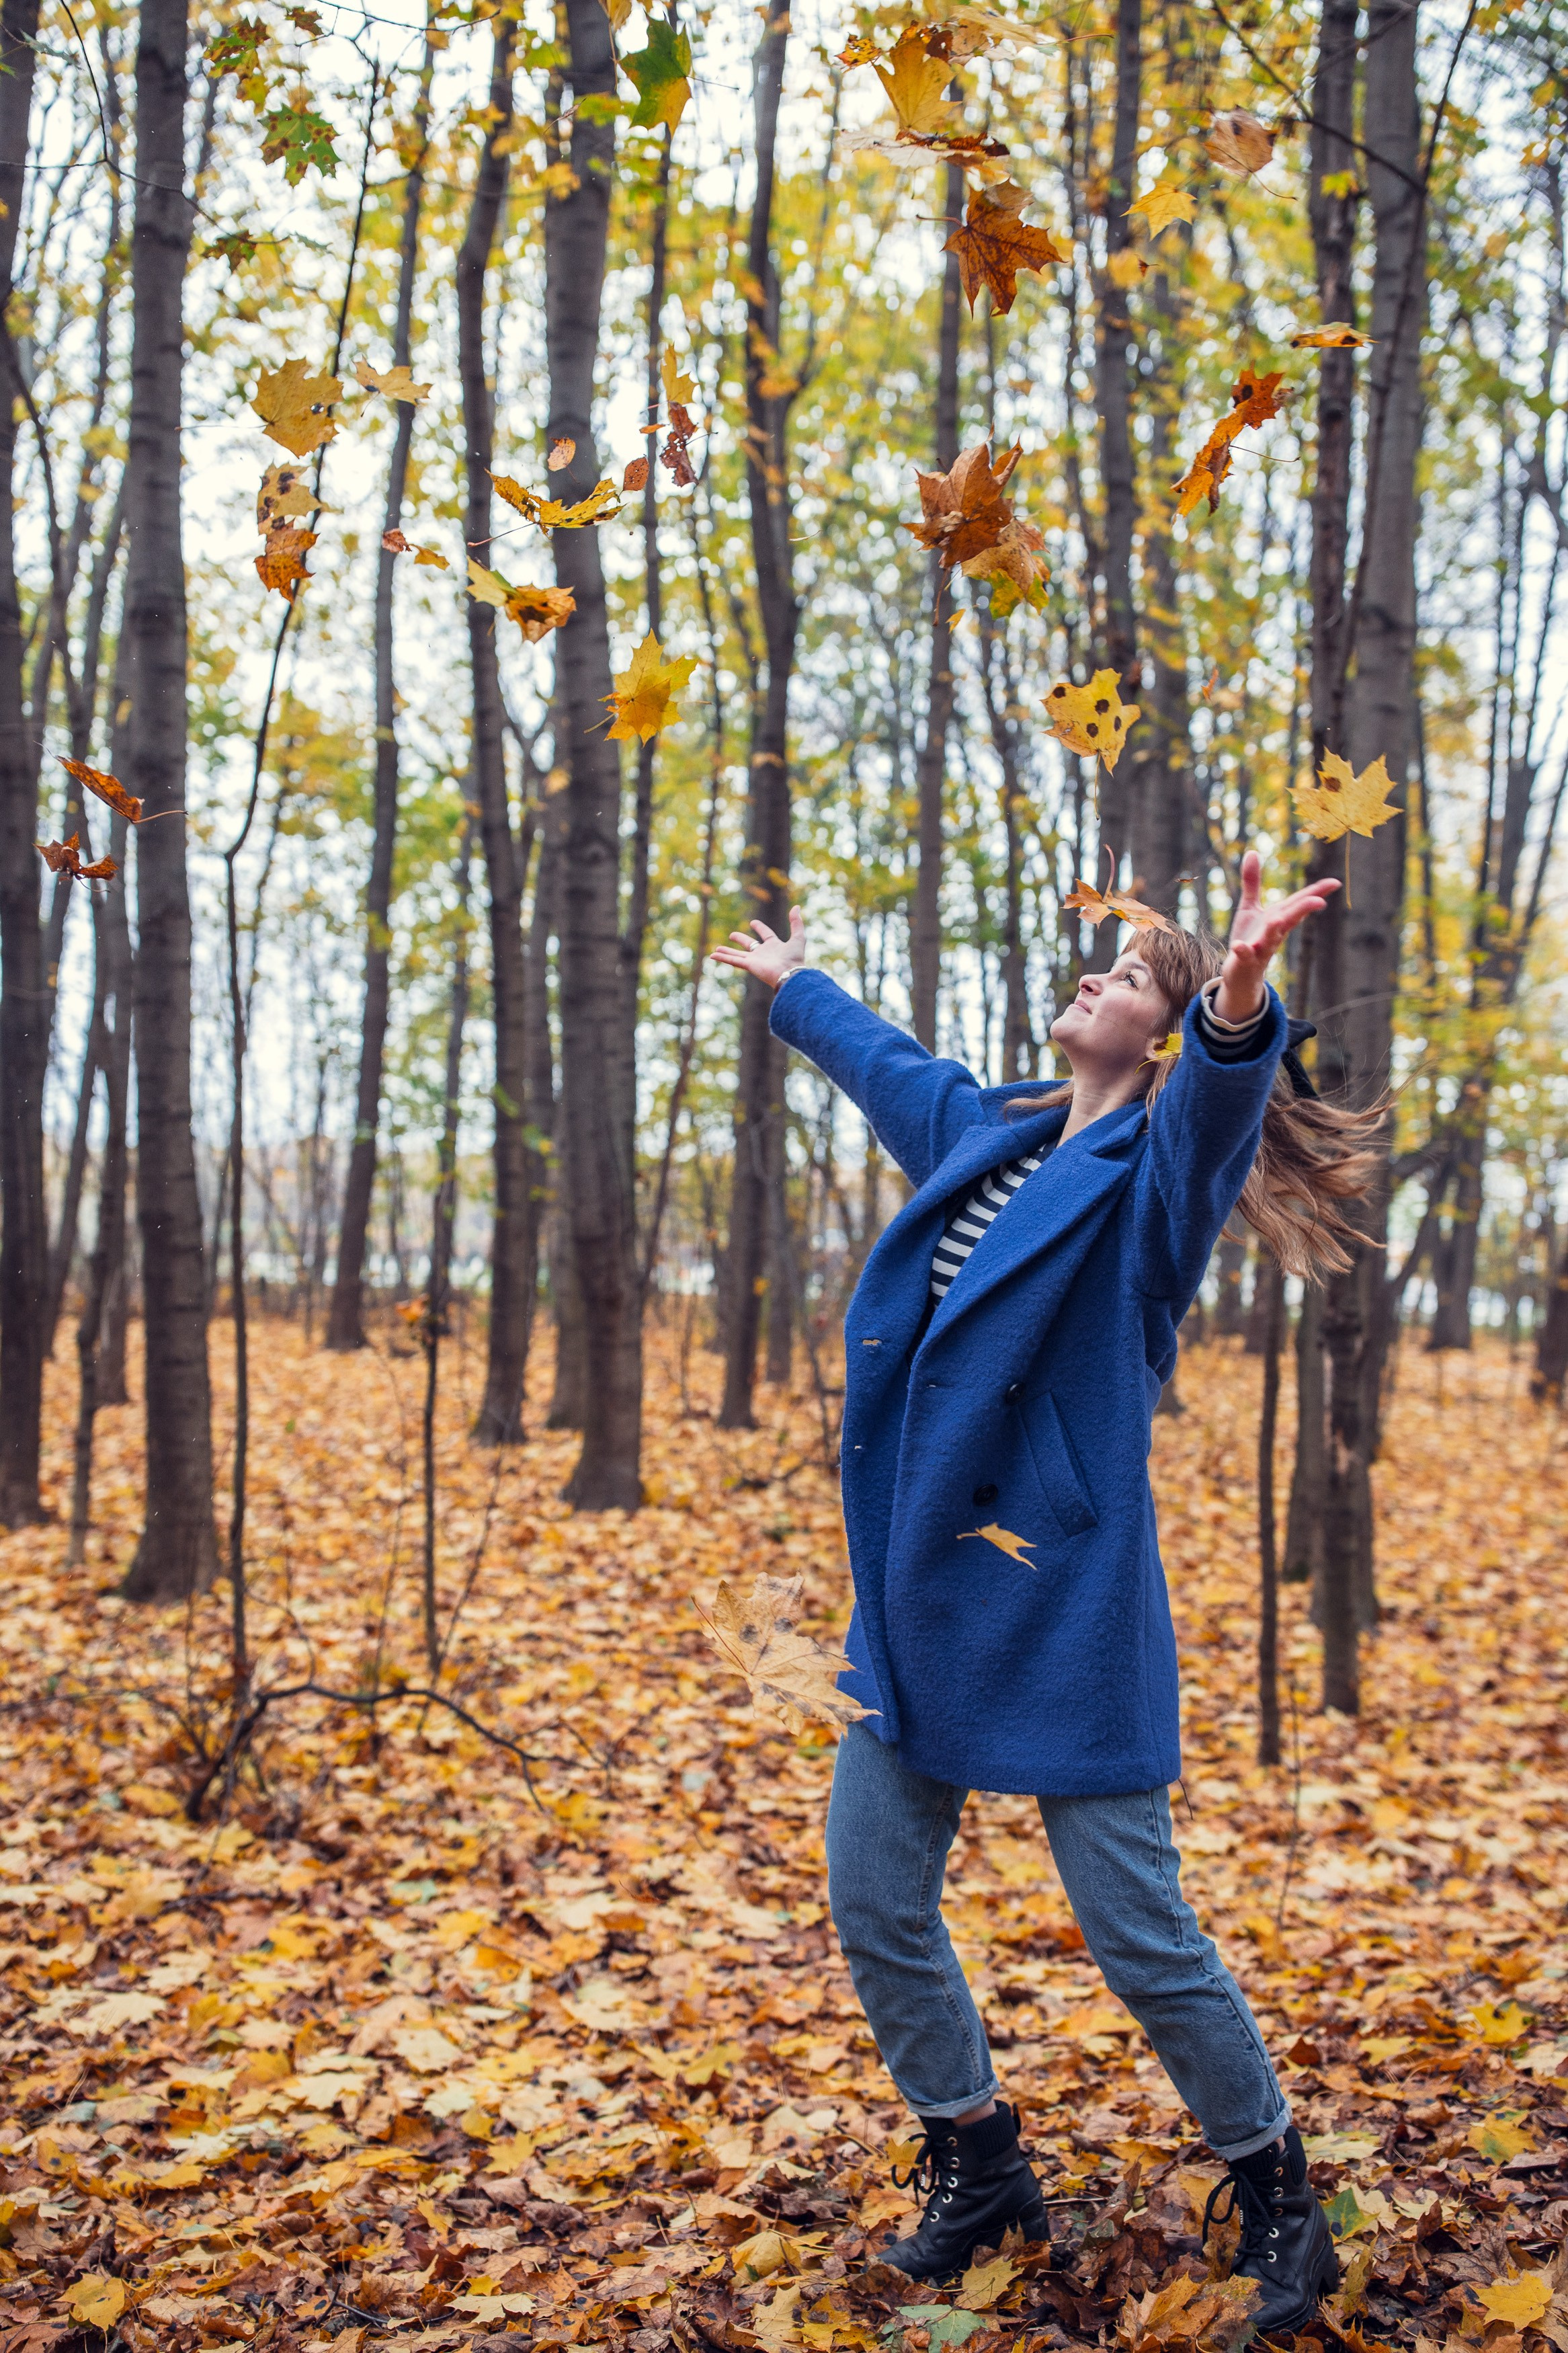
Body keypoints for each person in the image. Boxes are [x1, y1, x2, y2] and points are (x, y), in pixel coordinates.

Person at [711, 855, 1383, 2329]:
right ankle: (981, 2166)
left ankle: (1281, 2196)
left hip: (1065, 1606)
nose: (1094, 978)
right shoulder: (992, 1131)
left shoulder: (1152, 1184)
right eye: (1110, 966)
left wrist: (1236, 992)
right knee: (873, 1899)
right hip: (915, 1600)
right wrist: (798, 989)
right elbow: (895, 1069)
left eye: (1130, 976)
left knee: (1138, 1933)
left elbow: (1214, 1113)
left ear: (1162, 1034)